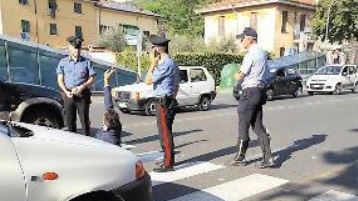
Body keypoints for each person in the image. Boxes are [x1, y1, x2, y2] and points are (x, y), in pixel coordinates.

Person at [233, 27, 276, 169]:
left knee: (243, 124)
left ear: (251, 39)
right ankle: (268, 157)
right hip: (259, 92)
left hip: (249, 91)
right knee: (258, 125)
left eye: (243, 38)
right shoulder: (263, 54)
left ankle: (240, 157)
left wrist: (237, 78)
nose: (241, 41)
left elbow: (241, 74)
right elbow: (268, 75)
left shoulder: (250, 54)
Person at [145, 34, 180, 172]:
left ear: (158, 48)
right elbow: (177, 85)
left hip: (163, 101)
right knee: (166, 132)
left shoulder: (165, 64)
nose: (152, 48)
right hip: (167, 99)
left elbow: (148, 80)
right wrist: (172, 97)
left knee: (165, 134)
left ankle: (168, 164)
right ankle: (168, 159)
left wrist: (152, 64)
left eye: (153, 46)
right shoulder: (171, 62)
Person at [57, 36, 96, 136]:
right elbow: (60, 80)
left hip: (82, 95)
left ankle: (88, 142)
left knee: (84, 121)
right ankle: (73, 143)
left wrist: (82, 87)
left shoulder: (87, 62)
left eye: (79, 48)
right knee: (70, 121)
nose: (77, 51)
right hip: (69, 94)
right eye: (75, 48)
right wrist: (66, 91)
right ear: (69, 47)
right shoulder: (63, 62)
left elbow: (92, 78)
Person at [95, 69, 122, 146]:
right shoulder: (115, 125)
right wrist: (106, 80)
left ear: (106, 122)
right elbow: (108, 102)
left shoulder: (110, 139)